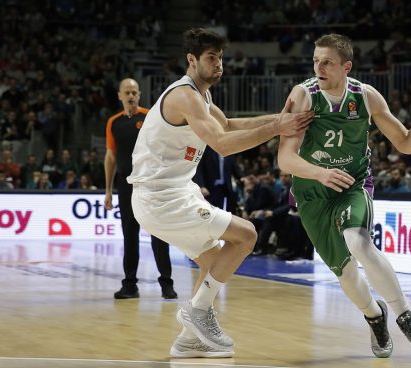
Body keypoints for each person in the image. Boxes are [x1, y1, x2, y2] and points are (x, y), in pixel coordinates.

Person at [126, 28, 312, 358]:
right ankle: (196, 313)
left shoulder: (202, 97)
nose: (219, 64)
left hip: (174, 192)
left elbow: (228, 126)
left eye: (221, 57)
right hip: (160, 196)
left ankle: (188, 340)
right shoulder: (184, 96)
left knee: (214, 262)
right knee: (247, 236)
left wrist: (285, 120)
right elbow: (223, 145)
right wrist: (276, 129)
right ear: (192, 60)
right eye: (211, 58)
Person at [278, 34, 411, 358]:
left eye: (327, 62)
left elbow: (403, 142)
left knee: (359, 242)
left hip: (351, 184)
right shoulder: (303, 95)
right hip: (312, 192)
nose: (319, 67)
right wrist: (319, 173)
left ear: (347, 66)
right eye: (316, 60)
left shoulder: (366, 95)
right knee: (345, 273)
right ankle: (375, 315)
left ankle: (407, 317)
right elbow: (285, 159)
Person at [104, 78, 177, 301]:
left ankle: (166, 283)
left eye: (134, 92)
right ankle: (130, 284)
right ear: (119, 95)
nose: (131, 95)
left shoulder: (150, 117)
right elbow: (111, 156)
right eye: (127, 92)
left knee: (159, 234)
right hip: (126, 186)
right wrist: (108, 190)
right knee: (130, 235)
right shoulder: (113, 122)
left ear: (140, 94)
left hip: (151, 185)